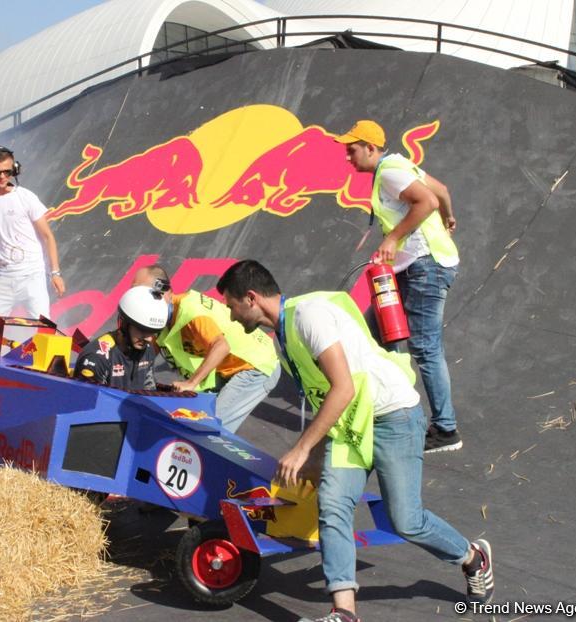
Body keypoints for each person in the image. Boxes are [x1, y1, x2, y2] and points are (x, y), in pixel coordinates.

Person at [216, 260, 493, 622]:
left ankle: (473, 558)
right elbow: (322, 396)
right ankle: (344, 613)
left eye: (231, 306)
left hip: (392, 418)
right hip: (350, 427)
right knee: (332, 507)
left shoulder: (307, 317)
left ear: (250, 298)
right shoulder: (283, 335)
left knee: (405, 520)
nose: (231, 316)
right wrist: (315, 454)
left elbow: (342, 388)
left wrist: (301, 449)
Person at [336, 120, 462, 453]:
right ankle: (386, 404)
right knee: (371, 332)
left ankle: (446, 430)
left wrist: (393, 237)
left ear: (370, 148)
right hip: (413, 268)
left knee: (425, 347)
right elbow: (442, 191)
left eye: (352, 150)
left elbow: (427, 202)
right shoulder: (399, 166)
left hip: (425, 268)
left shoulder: (390, 170)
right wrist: (450, 218)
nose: (348, 157)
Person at [131, 264, 280, 434]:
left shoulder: (191, 312)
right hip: (223, 370)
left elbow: (222, 346)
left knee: (208, 428)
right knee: (187, 416)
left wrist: (191, 383)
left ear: (164, 293)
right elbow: (147, 356)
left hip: (255, 366)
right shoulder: (161, 316)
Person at [0, 146, 65, 319]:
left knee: (43, 329)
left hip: (32, 275)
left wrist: (55, 273)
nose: (2, 177)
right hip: (2, 279)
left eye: (7, 172)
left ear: (14, 170)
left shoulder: (26, 197)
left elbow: (48, 237)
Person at [73, 285, 167, 391]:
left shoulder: (147, 349)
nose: (149, 339)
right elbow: (88, 402)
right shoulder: (96, 358)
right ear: (125, 324)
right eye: (143, 331)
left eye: (153, 332)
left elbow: (149, 392)